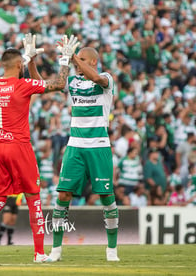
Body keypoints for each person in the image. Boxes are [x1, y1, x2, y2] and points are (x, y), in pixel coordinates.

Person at [0, 34, 77, 264]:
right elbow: (58, 85)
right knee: (33, 197)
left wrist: (28, 61)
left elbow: (18, 84)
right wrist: (65, 60)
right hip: (18, 147)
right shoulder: (22, 85)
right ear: (18, 65)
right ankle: (39, 253)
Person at [49, 46, 120, 262]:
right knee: (62, 196)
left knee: (106, 197)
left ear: (91, 61)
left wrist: (74, 59)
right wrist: (33, 61)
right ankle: (56, 250)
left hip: (99, 146)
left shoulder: (106, 78)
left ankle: (112, 250)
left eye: (80, 60)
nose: (76, 63)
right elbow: (51, 84)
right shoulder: (72, 81)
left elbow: (96, 77)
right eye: (75, 60)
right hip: (75, 146)